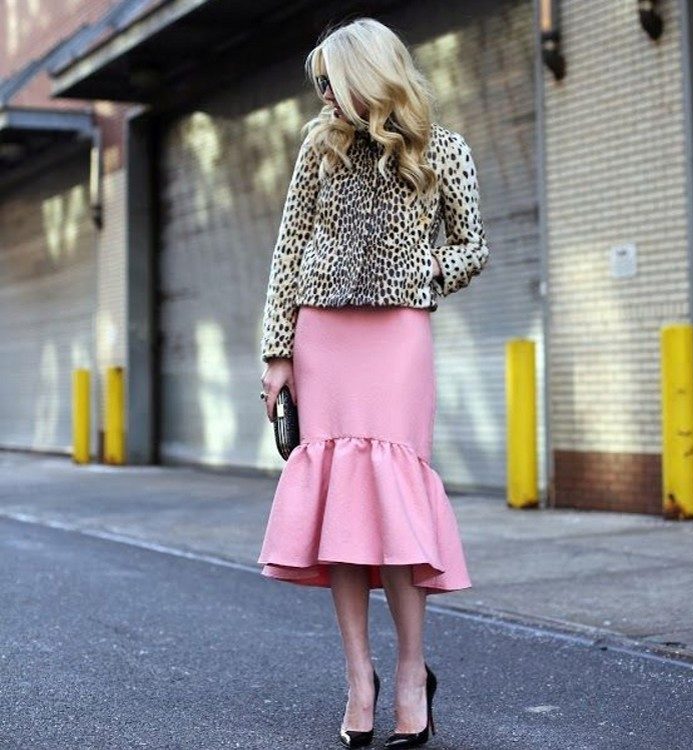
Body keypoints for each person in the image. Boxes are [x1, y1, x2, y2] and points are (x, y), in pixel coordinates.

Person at [257, 16, 489, 749]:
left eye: (333, 82)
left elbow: (473, 246)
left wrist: (425, 272)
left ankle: (413, 672)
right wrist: (277, 353)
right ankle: (360, 677)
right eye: (319, 84)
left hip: (397, 340)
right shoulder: (317, 146)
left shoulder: (444, 149)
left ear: (368, 76)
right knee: (342, 513)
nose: (323, 95)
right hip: (323, 336)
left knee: (394, 506)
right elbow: (289, 248)